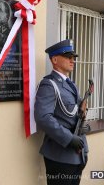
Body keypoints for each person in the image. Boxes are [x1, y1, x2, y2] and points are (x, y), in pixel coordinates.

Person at [34, 39, 89, 185]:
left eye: (73, 58)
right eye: (68, 57)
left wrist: (84, 125)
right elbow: (43, 117)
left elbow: (75, 114)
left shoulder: (70, 84)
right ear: (55, 59)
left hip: (78, 154)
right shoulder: (49, 84)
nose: (72, 61)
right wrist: (69, 138)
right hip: (60, 156)